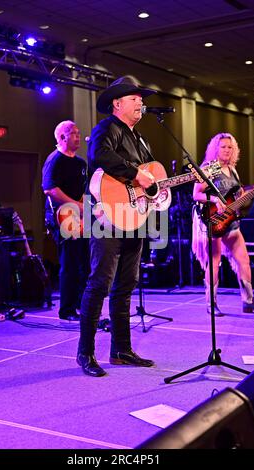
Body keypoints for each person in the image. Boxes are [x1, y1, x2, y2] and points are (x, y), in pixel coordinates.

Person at [77, 76, 157, 377]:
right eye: (134, 97)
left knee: (126, 285)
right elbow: (101, 156)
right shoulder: (106, 128)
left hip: (133, 216)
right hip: (104, 214)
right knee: (100, 282)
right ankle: (85, 353)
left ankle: (121, 350)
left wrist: (157, 186)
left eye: (141, 98)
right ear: (117, 103)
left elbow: (153, 176)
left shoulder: (141, 139)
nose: (141, 102)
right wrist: (136, 174)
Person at [192, 132, 254, 316]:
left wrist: (243, 194)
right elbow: (196, 194)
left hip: (231, 223)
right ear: (215, 149)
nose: (227, 150)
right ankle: (211, 304)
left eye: (230, 147)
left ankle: (248, 302)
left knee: (244, 261)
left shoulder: (233, 169)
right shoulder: (210, 167)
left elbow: (236, 197)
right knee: (214, 263)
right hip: (214, 222)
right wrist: (215, 200)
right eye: (223, 146)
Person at [42, 120, 89, 321]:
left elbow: (85, 191)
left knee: (84, 263)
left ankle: (82, 305)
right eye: (74, 133)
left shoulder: (80, 163)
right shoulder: (55, 160)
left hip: (81, 216)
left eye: (79, 133)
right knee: (69, 263)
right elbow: (50, 189)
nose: (78, 136)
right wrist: (76, 205)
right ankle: (67, 309)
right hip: (62, 216)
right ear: (62, 137)